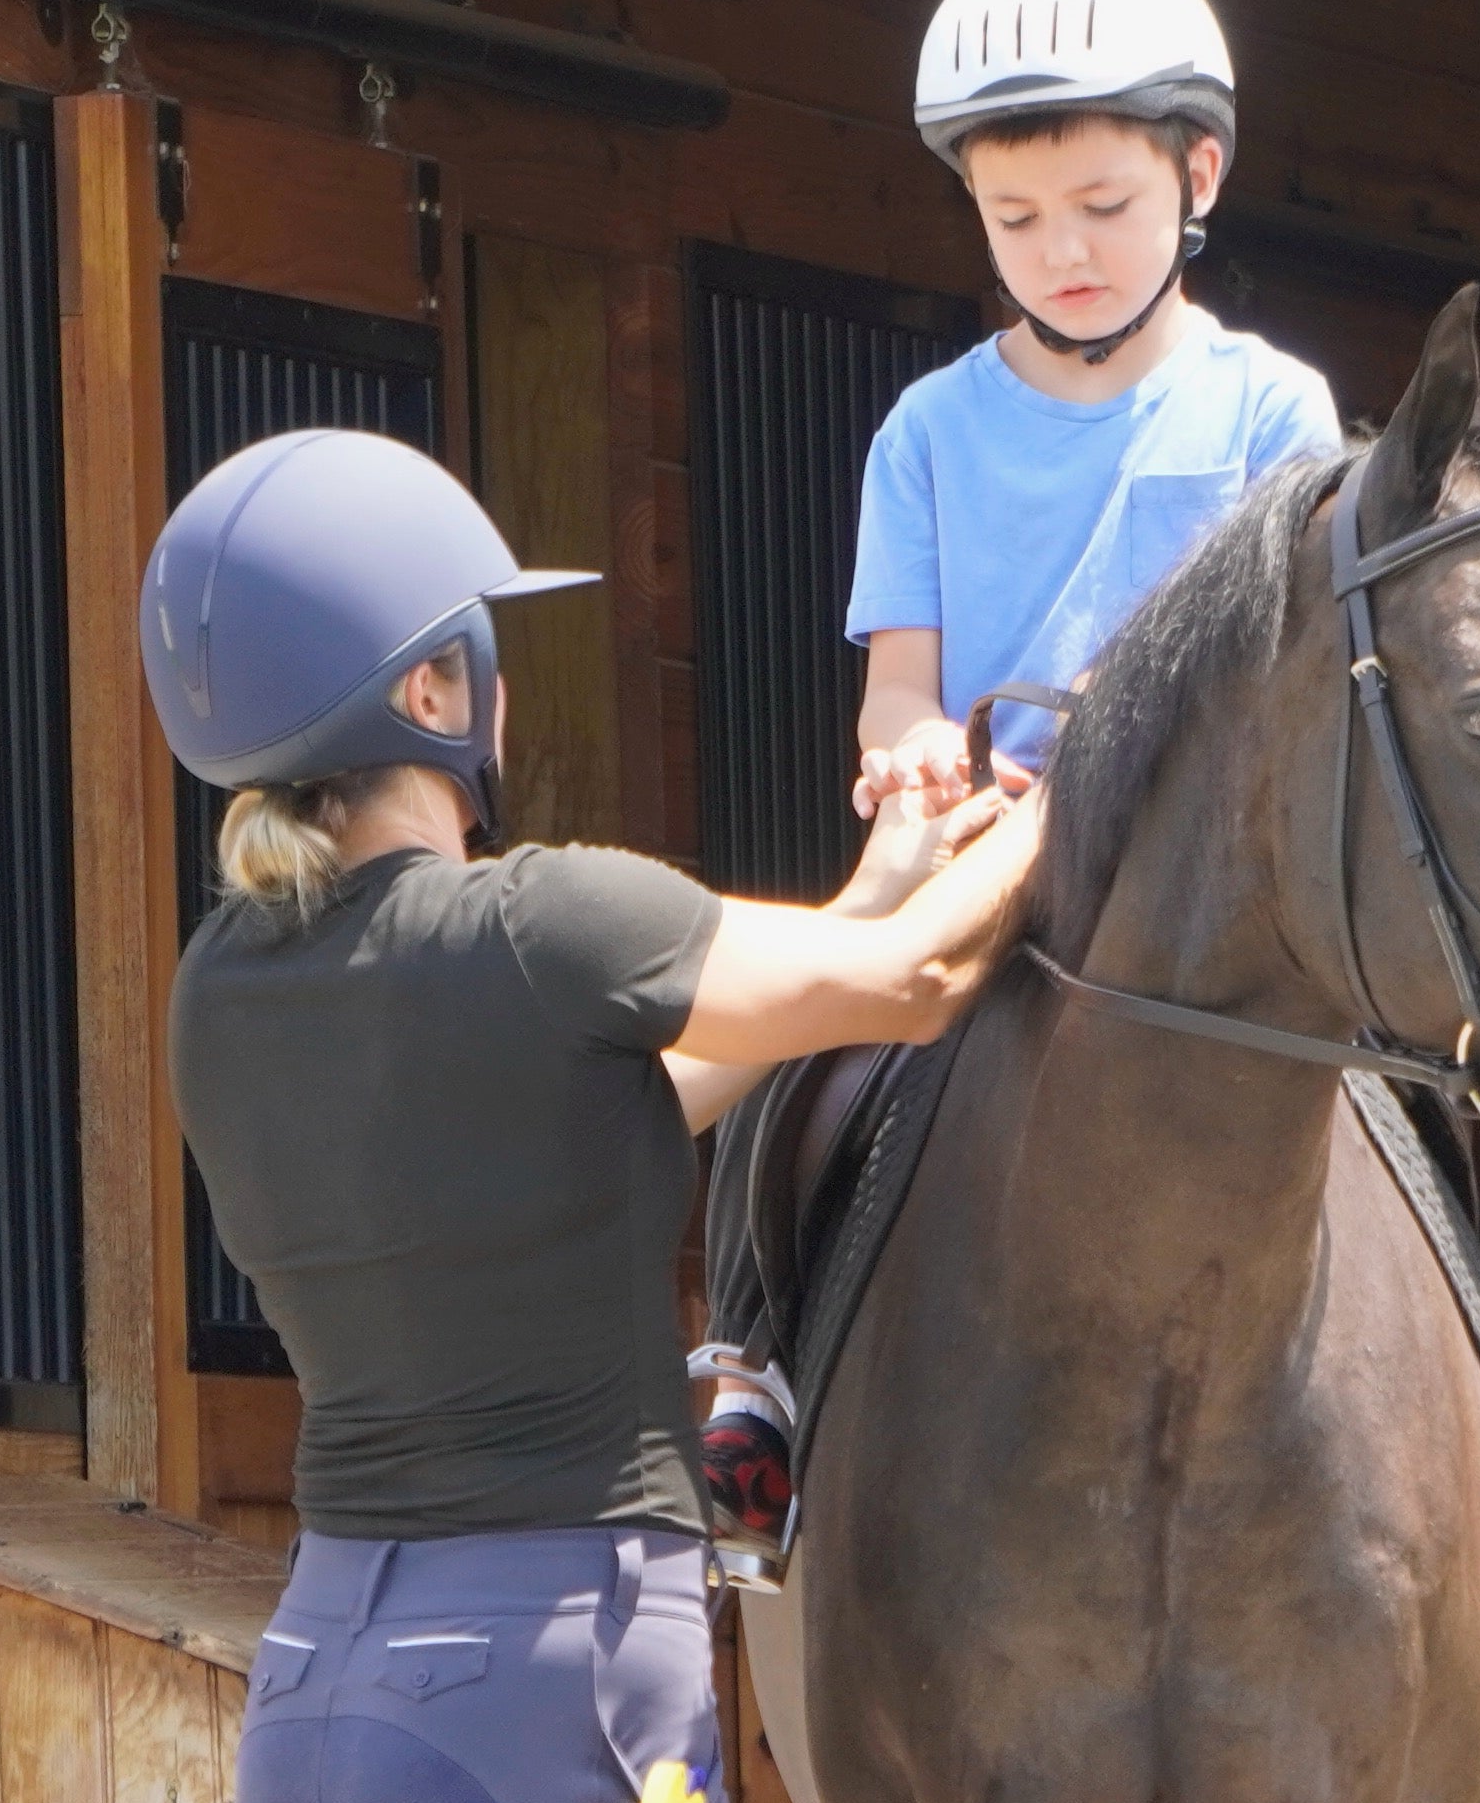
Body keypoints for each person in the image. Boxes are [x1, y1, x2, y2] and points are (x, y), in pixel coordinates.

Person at [699, 0, 1480, 1573]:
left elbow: (1279, 669)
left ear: (1198, 176)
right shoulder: (925, 431)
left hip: (1212, 857)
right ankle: (751, 1364)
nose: (1061, 252)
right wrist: (909, 759)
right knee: (809, 1051)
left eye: (1101, 205)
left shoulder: (1269, 405)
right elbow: (897, 690)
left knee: (1431, 1019)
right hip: (987, 848)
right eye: (1014, 217)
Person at [144, 429, 1042, 1803]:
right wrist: (1076, 797)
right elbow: (917, 983)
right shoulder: (542, 920)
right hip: (550, 1668)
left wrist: (876, 891)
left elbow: (603, 1116)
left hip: (316, 1672)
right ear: (434, 687)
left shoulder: (216, 986)